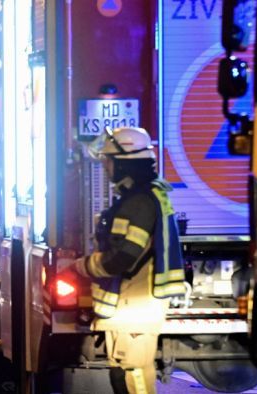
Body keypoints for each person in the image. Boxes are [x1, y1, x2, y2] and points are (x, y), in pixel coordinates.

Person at [71, 127, 186, 394]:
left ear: (124, 164)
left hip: (134, 305)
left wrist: (82, 267)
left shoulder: (138, 203)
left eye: (110, 161)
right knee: (126, 372)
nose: (107, 167)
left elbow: (123, 258)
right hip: (136, 305)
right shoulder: (149, 195)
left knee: (131, 374)